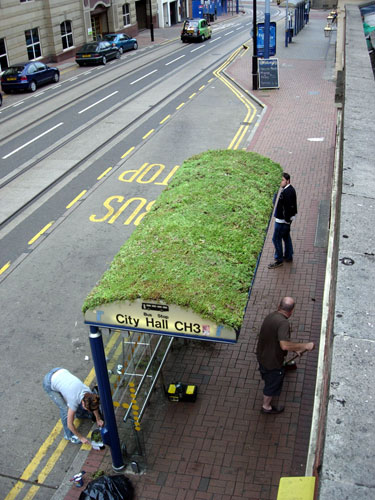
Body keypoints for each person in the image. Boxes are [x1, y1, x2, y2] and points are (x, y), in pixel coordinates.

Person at [256, 297, 314, 414]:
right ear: (291, 311)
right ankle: (266, 406)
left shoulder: (271, 316)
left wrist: (295, 349)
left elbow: (278, 340)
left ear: (279, 306)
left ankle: (269, 376)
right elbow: (284, 345)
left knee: (267, 373)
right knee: (272, 384)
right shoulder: (283, 323)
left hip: (262, 355)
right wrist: (304, 346)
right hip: (272, 362)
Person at [43, 368, 104, 444]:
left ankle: (79, 415)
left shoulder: (88, 392)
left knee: (75, 407)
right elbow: (70, 424)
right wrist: (81, 438)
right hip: (49, 381)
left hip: (59, 372)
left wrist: (98, 419)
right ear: (83, 403)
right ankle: (69, 436)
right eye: (87, 408)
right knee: (65, 411)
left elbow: (94, 405)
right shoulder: (73, 401)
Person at [268, 172, 297, 269]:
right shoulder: (291, 190)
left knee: (276, 239)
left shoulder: (286, 192)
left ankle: (279, 259)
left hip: (282, 221)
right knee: (286, 237)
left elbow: (287, 208)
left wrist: (287, 220)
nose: (280, 182)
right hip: (286, 221)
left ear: (287, 181)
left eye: (282, 180)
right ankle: (288, 256)